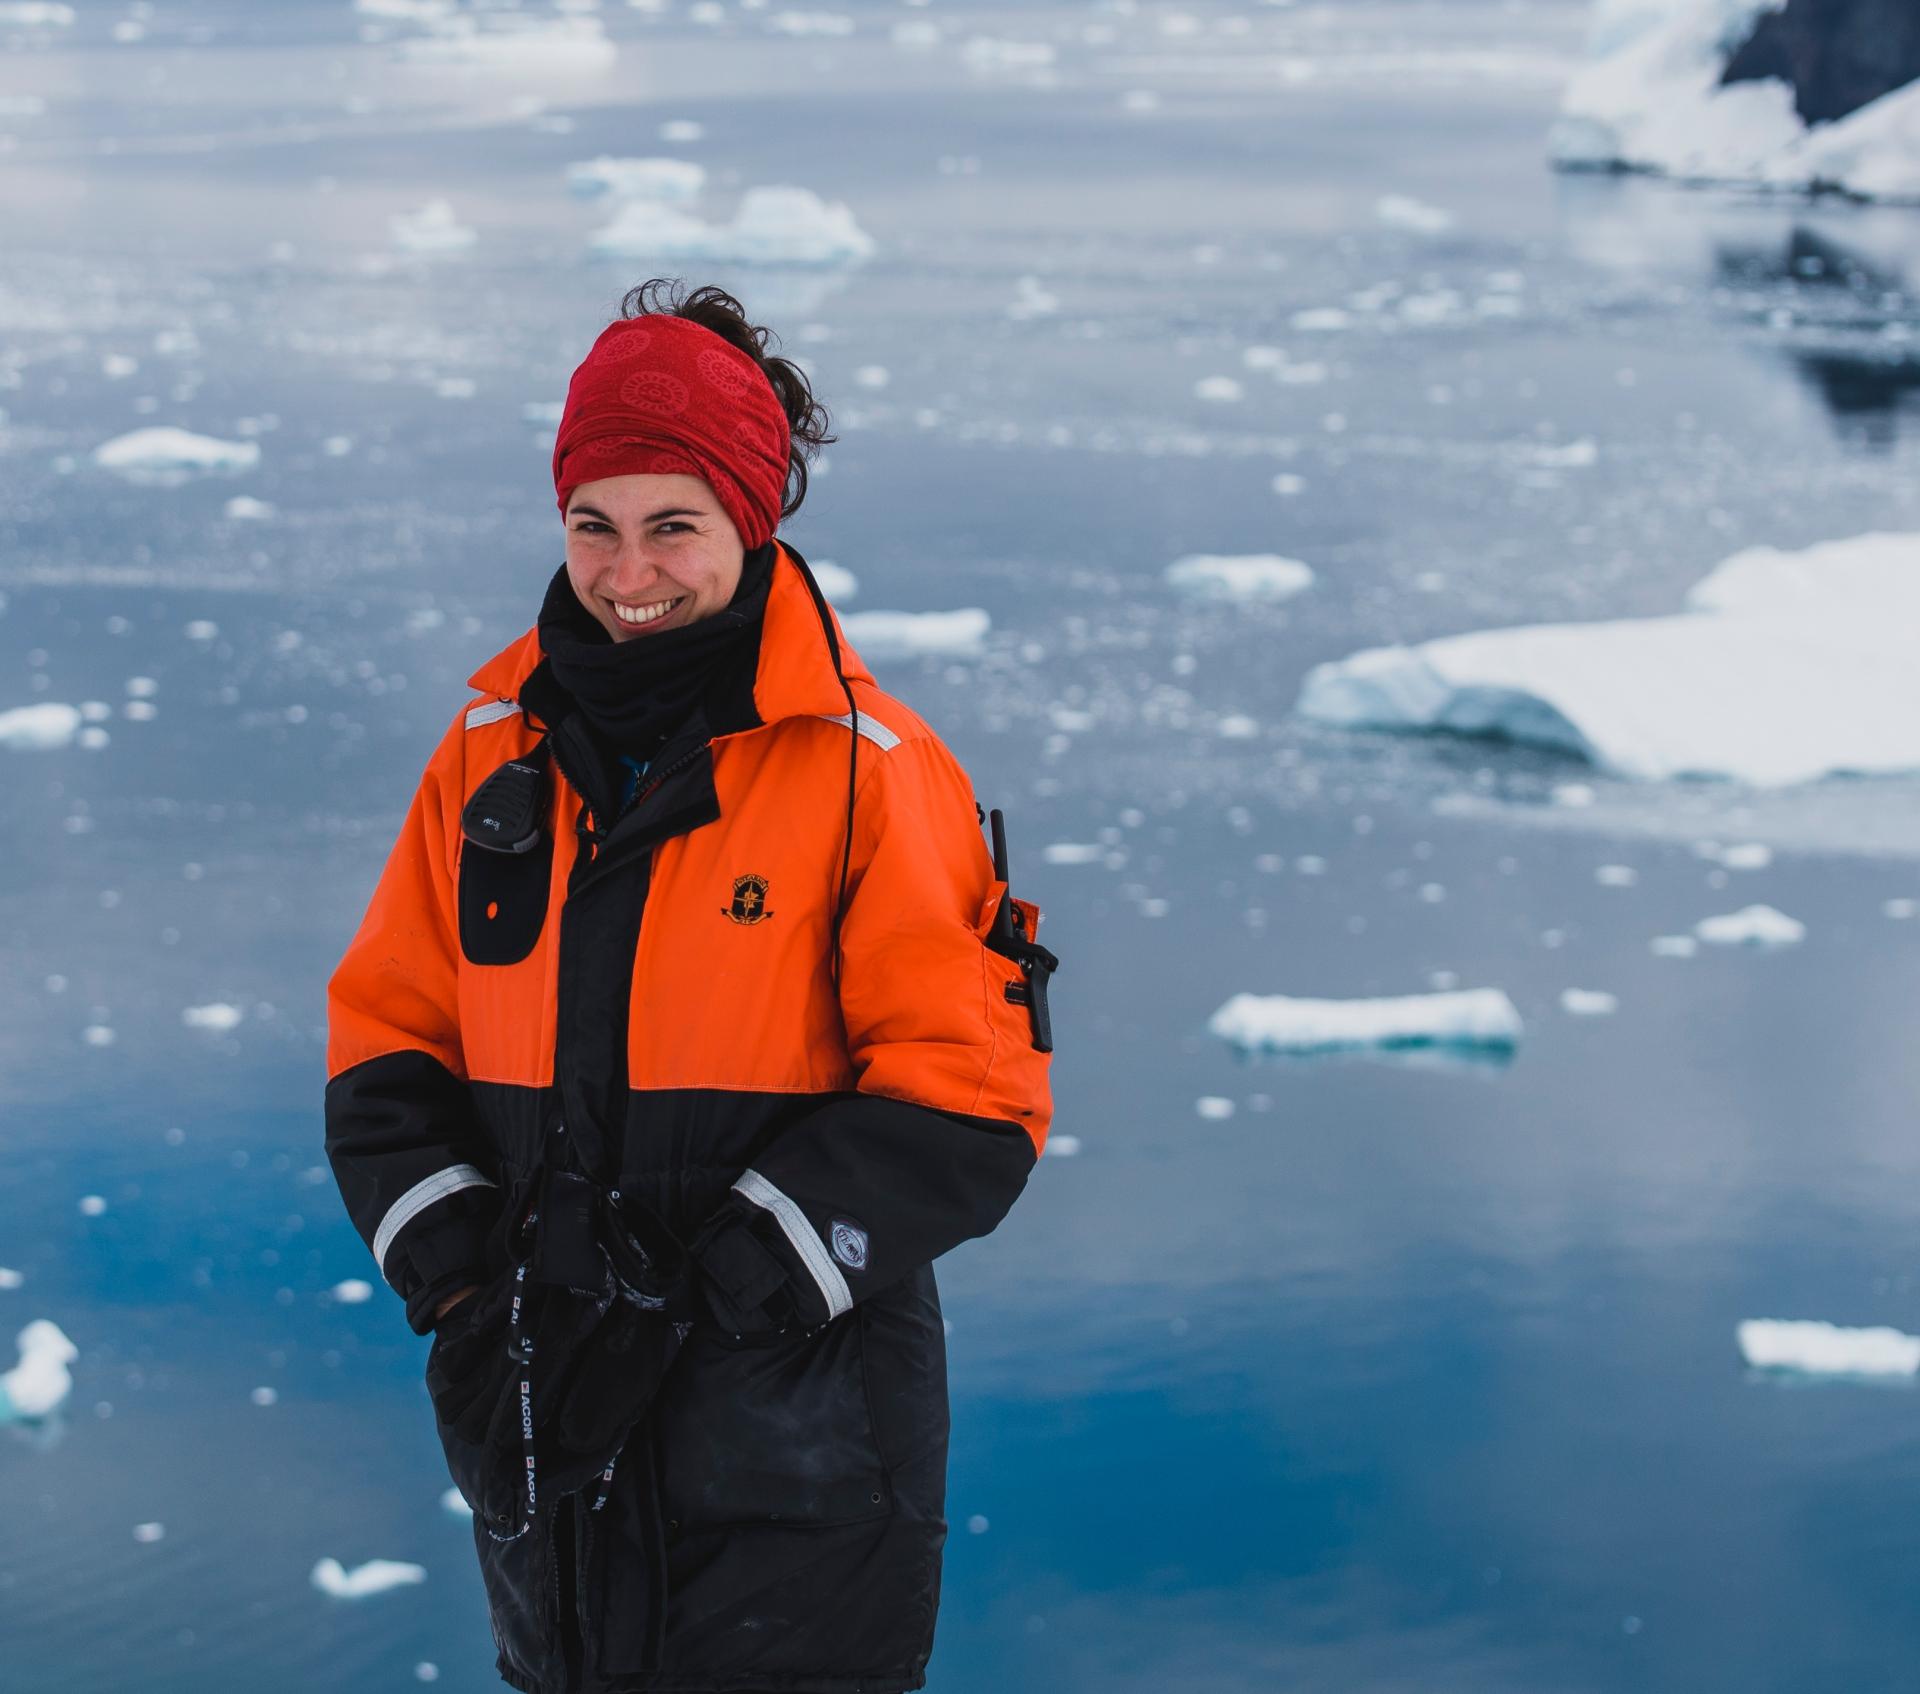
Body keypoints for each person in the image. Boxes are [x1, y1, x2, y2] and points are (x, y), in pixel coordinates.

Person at [322, 279, 1058, 1694]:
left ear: (751, 521)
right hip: (544, 1433)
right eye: (592, 523)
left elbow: (972, 1099)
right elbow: (385, 1050)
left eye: (674, 525)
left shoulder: (867, 772)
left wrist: (719, 1288)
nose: (626, 570)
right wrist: (468, 1292)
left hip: (803, 1455)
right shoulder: (488, 760)